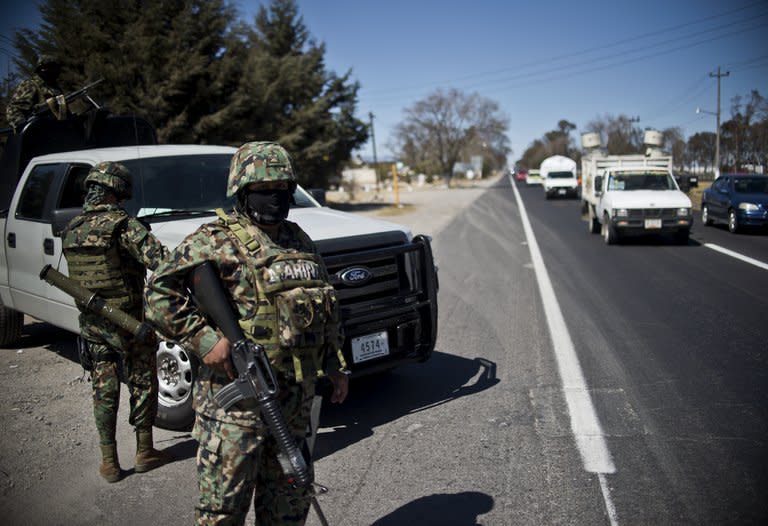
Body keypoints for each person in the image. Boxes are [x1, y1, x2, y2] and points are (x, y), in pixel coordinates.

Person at [144, 141, 349, 525]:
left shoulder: (298, 239)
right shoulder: (215, 239)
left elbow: (323, 309)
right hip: (235, 412)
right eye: (264, 190)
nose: (277, 198)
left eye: (284, 189)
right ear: (242, 190)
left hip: (292, 404)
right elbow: (159, 292)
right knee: (222, 511)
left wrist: (334, 364)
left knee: (289, 504)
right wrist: (206, 341)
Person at [62, 161, 174, 483]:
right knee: (141, 381)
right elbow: (162, 262)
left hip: (94, 324)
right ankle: (144, 451)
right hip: (129, 323)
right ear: (117, 190)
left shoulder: (71, 228)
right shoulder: (124, 226)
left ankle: (109, 461)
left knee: (104, 388)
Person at [5, 54, 68, 132]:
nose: (56, 70)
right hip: (39, 134)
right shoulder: (31, 84)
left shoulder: (56, 88)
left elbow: (62, 112)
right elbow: (14, 109)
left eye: (57, 67)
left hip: (58, 132)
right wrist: (24, 127)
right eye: (53, 67)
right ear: (42, 68)